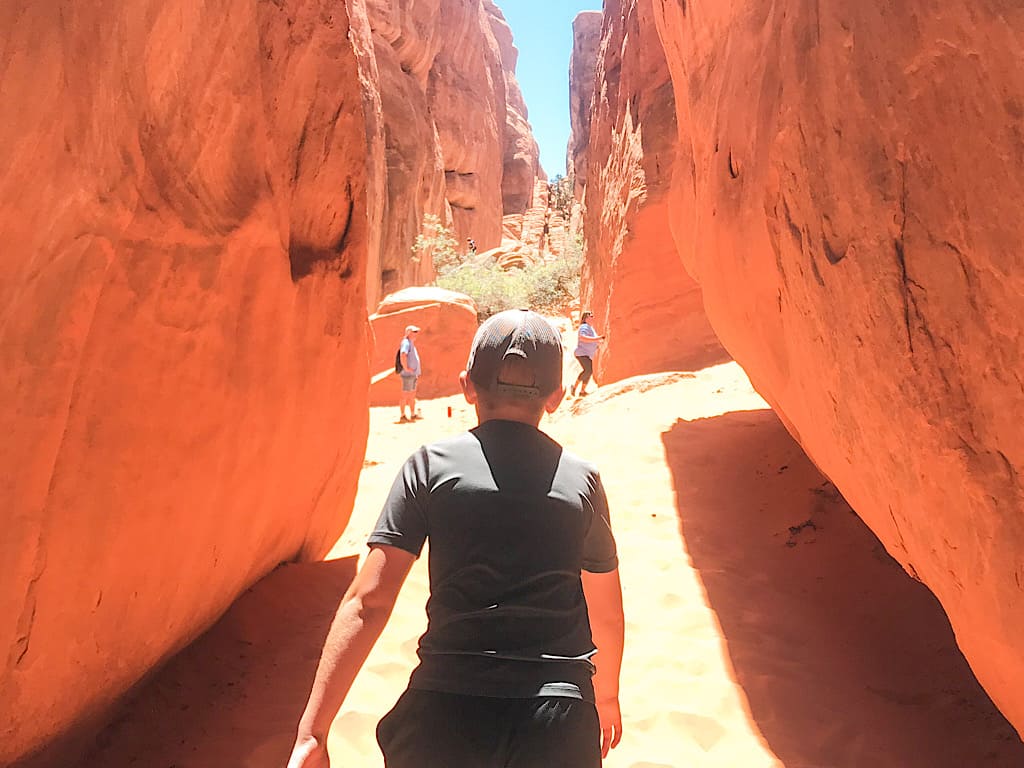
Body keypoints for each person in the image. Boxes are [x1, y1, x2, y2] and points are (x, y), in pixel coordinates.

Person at [287, 309, 625, 768]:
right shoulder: (582, 481)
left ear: (467, 385)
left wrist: (314, 731)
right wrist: (606, 698)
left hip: (445, 714)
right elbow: (605, 611)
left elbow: (369, 602)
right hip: (558, 719)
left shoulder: (429, 467)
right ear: (556, 397)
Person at [571, 310, 605, 397]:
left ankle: (582, 391)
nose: (593, 318)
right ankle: (574, 387)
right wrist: (598, 339)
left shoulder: (590, 328)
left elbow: (594, 341)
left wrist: (599, 342)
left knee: (589, 371)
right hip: (581, 353)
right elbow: (582, 338)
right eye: (591, 316)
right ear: (586, 318)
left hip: (587, 354)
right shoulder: (584, 326)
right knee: (588, 370)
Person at [398, 325, 421, 423]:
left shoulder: (410, 343)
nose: (416, 334)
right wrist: (406, 368)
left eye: (416, 332)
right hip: (408, 374)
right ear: (408, 333)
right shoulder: (406, 343)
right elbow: (403, 354)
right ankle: (403, 415)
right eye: (414, 332)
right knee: (405, 394)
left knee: (412, 394)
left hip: (413, 374)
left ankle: (412, 414)